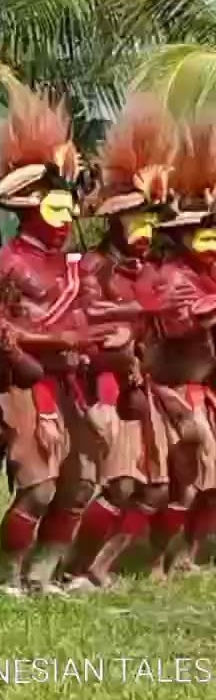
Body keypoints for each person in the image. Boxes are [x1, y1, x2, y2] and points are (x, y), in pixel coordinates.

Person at [0, 92, 125, 596]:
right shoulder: (8, 262)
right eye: (55, 206)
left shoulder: (75, 263)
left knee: (81, 484)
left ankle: (44, 573)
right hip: (26, 382)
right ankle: (8, 576)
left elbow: (91, 315)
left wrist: (115, 333)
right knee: (39, 487)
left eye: (69, 207)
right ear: (29, 206)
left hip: (73, 384)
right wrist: (51, 338)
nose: (66, 216)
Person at [64, 95, 185, 589]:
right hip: (105, 384)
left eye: (152, 222)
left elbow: (167, 320)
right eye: (137, 220)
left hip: (148, 386)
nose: (145, 230)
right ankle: (75, 565)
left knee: (155, 490)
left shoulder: (154, 270)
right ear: (114, 220)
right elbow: (90, 312)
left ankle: (100, 565)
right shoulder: (94, 266)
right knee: (121, 483)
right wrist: (142, 312)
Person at [146, 120, 216, 576]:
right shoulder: (171, 277)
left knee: (210, 485)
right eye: (206, 237)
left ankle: (187, 554)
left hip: (206, 389)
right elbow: (177, 327)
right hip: (176, 391)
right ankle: (159, 560)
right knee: (187, 483)